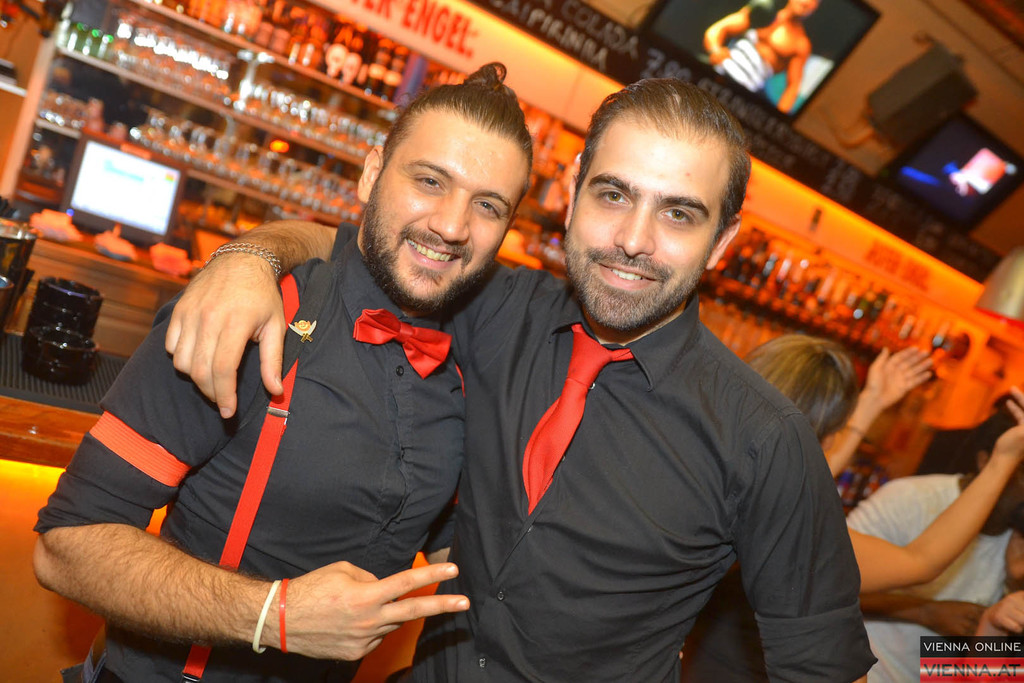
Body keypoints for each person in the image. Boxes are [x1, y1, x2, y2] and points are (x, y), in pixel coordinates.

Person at [165, 79, 875, 681]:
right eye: (613, 194)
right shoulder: (492, 305)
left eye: (678, 214)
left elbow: (822, 664)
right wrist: (251, 257)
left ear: (722, 242)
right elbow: (373, 245)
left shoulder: (764, 440)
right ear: (572, 193)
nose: (633, 240)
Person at [32, 63, 534, 682]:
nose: (453, 226)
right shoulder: (258, 312)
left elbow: (444, 534)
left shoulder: (473, 355)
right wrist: (274, 615)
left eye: (487, 205)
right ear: (372, 174)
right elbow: (67, 544)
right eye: (430, 181)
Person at [681, 334, 1024, 681]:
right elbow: (919, 562)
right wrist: (1004, 460)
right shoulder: (789, 527)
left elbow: (799, 471)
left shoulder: (708, 482)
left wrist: (871, 403)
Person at [848, 401, 1024, 682]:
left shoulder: (1016, 542)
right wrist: (925, 612)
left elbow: (987, 671)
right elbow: (822, 586)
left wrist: (1010, 593)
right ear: (986, 461)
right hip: (858, 669)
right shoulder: (911, 499)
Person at [703, 0, 819, 113]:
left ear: (815, 7)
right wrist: (715, 50)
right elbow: (717, 30)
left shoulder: (800, 44)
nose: (806, 3)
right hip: (716, 74)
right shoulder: (761, 10)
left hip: (742, 97)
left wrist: (777, 118)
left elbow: (792, 87)